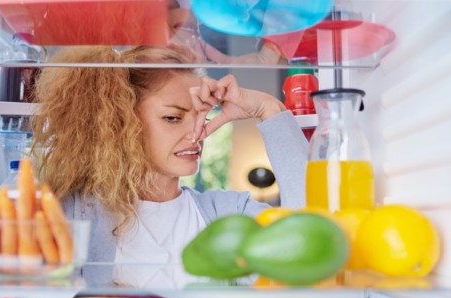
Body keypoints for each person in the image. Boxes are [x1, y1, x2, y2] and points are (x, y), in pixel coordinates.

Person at [31, 45, 308, 284]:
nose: (196, 133)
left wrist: (268, 109)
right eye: (173, 118)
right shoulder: (72, 211)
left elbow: (311, 237)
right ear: (122, 123)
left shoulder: (229, 213)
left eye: (201, 116)